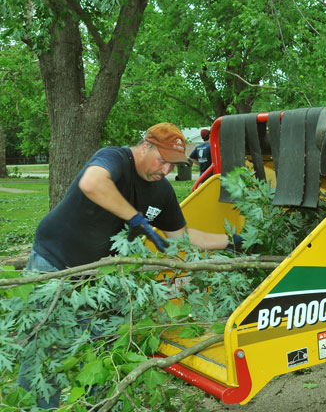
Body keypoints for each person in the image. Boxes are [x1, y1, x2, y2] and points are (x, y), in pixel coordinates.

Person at [19, 122, 239, 408]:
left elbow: (181, 237)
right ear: (145, 147)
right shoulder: (115, 159)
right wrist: (136, 218)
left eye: (173, 166)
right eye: (162, 161)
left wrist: (234, 241)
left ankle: (99, 405)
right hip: (55, 264)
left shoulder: (162, 192)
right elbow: (92, 183)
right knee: (45, 352)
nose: (166, 171)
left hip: (102, 281)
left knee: (106, 347)